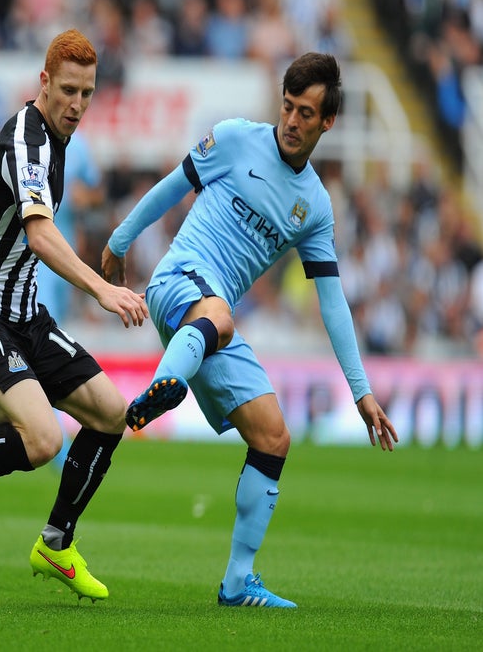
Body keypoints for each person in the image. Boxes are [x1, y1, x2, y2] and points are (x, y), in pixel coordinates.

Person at [101, 52, 398, 608]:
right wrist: (120, 242)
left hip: (209, 324)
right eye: (287, 106)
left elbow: (332, 304)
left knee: (272, 437)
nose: (291, 120)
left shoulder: (315, 207)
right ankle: (162, 388)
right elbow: (172, 186)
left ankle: (237, 583)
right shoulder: (236, 139)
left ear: (326, 122)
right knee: (221, 314)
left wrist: (361, 391)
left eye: (305, 113)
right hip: (177, 282)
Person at [0, 29, 149, 602]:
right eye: (67, 90)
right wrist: (99, 290)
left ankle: (56, 543)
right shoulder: (27, 138)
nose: (77, 105)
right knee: (42, 441)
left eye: (86, 93)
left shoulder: (60, 144)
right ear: (43, 82)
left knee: (112, 414)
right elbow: (39, 235)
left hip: (26, 318)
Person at [34, 131, 103, 469]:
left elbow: (96, 193)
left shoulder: (81, 147)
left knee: (47, 339)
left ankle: (11, 413)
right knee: (42, 339)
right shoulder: (30, 141)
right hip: (38, 258)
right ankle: (57, 444)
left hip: (68, 259)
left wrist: (84, 198)